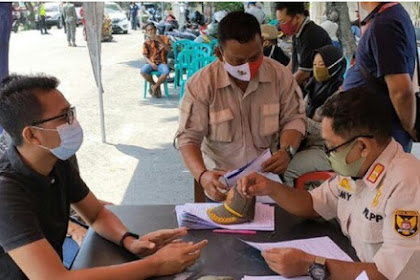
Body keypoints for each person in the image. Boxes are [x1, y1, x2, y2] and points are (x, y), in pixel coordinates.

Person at [0, 74, 207, 280]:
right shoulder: (6, 192)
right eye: (64, 116)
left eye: (72, 112)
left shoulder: (57, 161)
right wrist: (155, 265)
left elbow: (96, 214)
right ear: (32, 135)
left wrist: (131, 242)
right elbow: (54, 278)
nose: (74, 122)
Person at [238, 86, 420, 280]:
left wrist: (310, 265)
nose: (328, 153)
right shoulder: (355, 171)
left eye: (331, 147)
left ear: (362, 146)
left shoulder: (406, 184)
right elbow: (313, 204)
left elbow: (388, 274)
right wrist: (269, 187)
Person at [175, 11, 306, 202]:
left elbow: (294, 119)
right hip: (221, 183)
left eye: (254, 57)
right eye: (238, 61)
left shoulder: (281, 76)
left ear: (262, 43)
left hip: (266, 182)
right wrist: (203, 175)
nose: (247, 66)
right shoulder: (201, 85)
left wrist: (287, 151)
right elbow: (188, 138)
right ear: (219, 53)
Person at [343, 2, 417, 153]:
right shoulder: (388, 16)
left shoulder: (385, 24)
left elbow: (401, 91)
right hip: (378, 129)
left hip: (383, 134)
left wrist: (409, 126)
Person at [283, 45, 347, 187]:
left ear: (334, 66)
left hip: (326, 149)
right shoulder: (314, 86)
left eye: (322, 65)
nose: (318, 69)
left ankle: (290, 206)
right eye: (315, 64)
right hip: (307, 142)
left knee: (286, 169)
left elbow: (329, 133)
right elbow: (301, 110)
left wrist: (301, 121)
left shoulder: (340, 96)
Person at [275, 3, 332, 87]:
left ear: (297, 18)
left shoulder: (311, 34)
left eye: (283, 21)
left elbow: (304, 73)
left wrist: (283, 88)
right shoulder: (297, 33)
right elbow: (293, 63)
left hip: (321, 87)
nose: (281, 26)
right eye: (279, 21)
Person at [141, 23, 171, 98]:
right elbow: (145, 56)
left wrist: (160, 41)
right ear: (147, 32)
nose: (151, 31)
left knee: (165, 72)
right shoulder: (146, 42)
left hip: (162, 62)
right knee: (143, 72)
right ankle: (155, 85)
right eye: (149, 30)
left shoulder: (164, 38)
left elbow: (169, 49)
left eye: (152, 29)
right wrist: (151, 64)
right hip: (151, 63)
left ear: (155, 30)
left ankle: (154, 87)